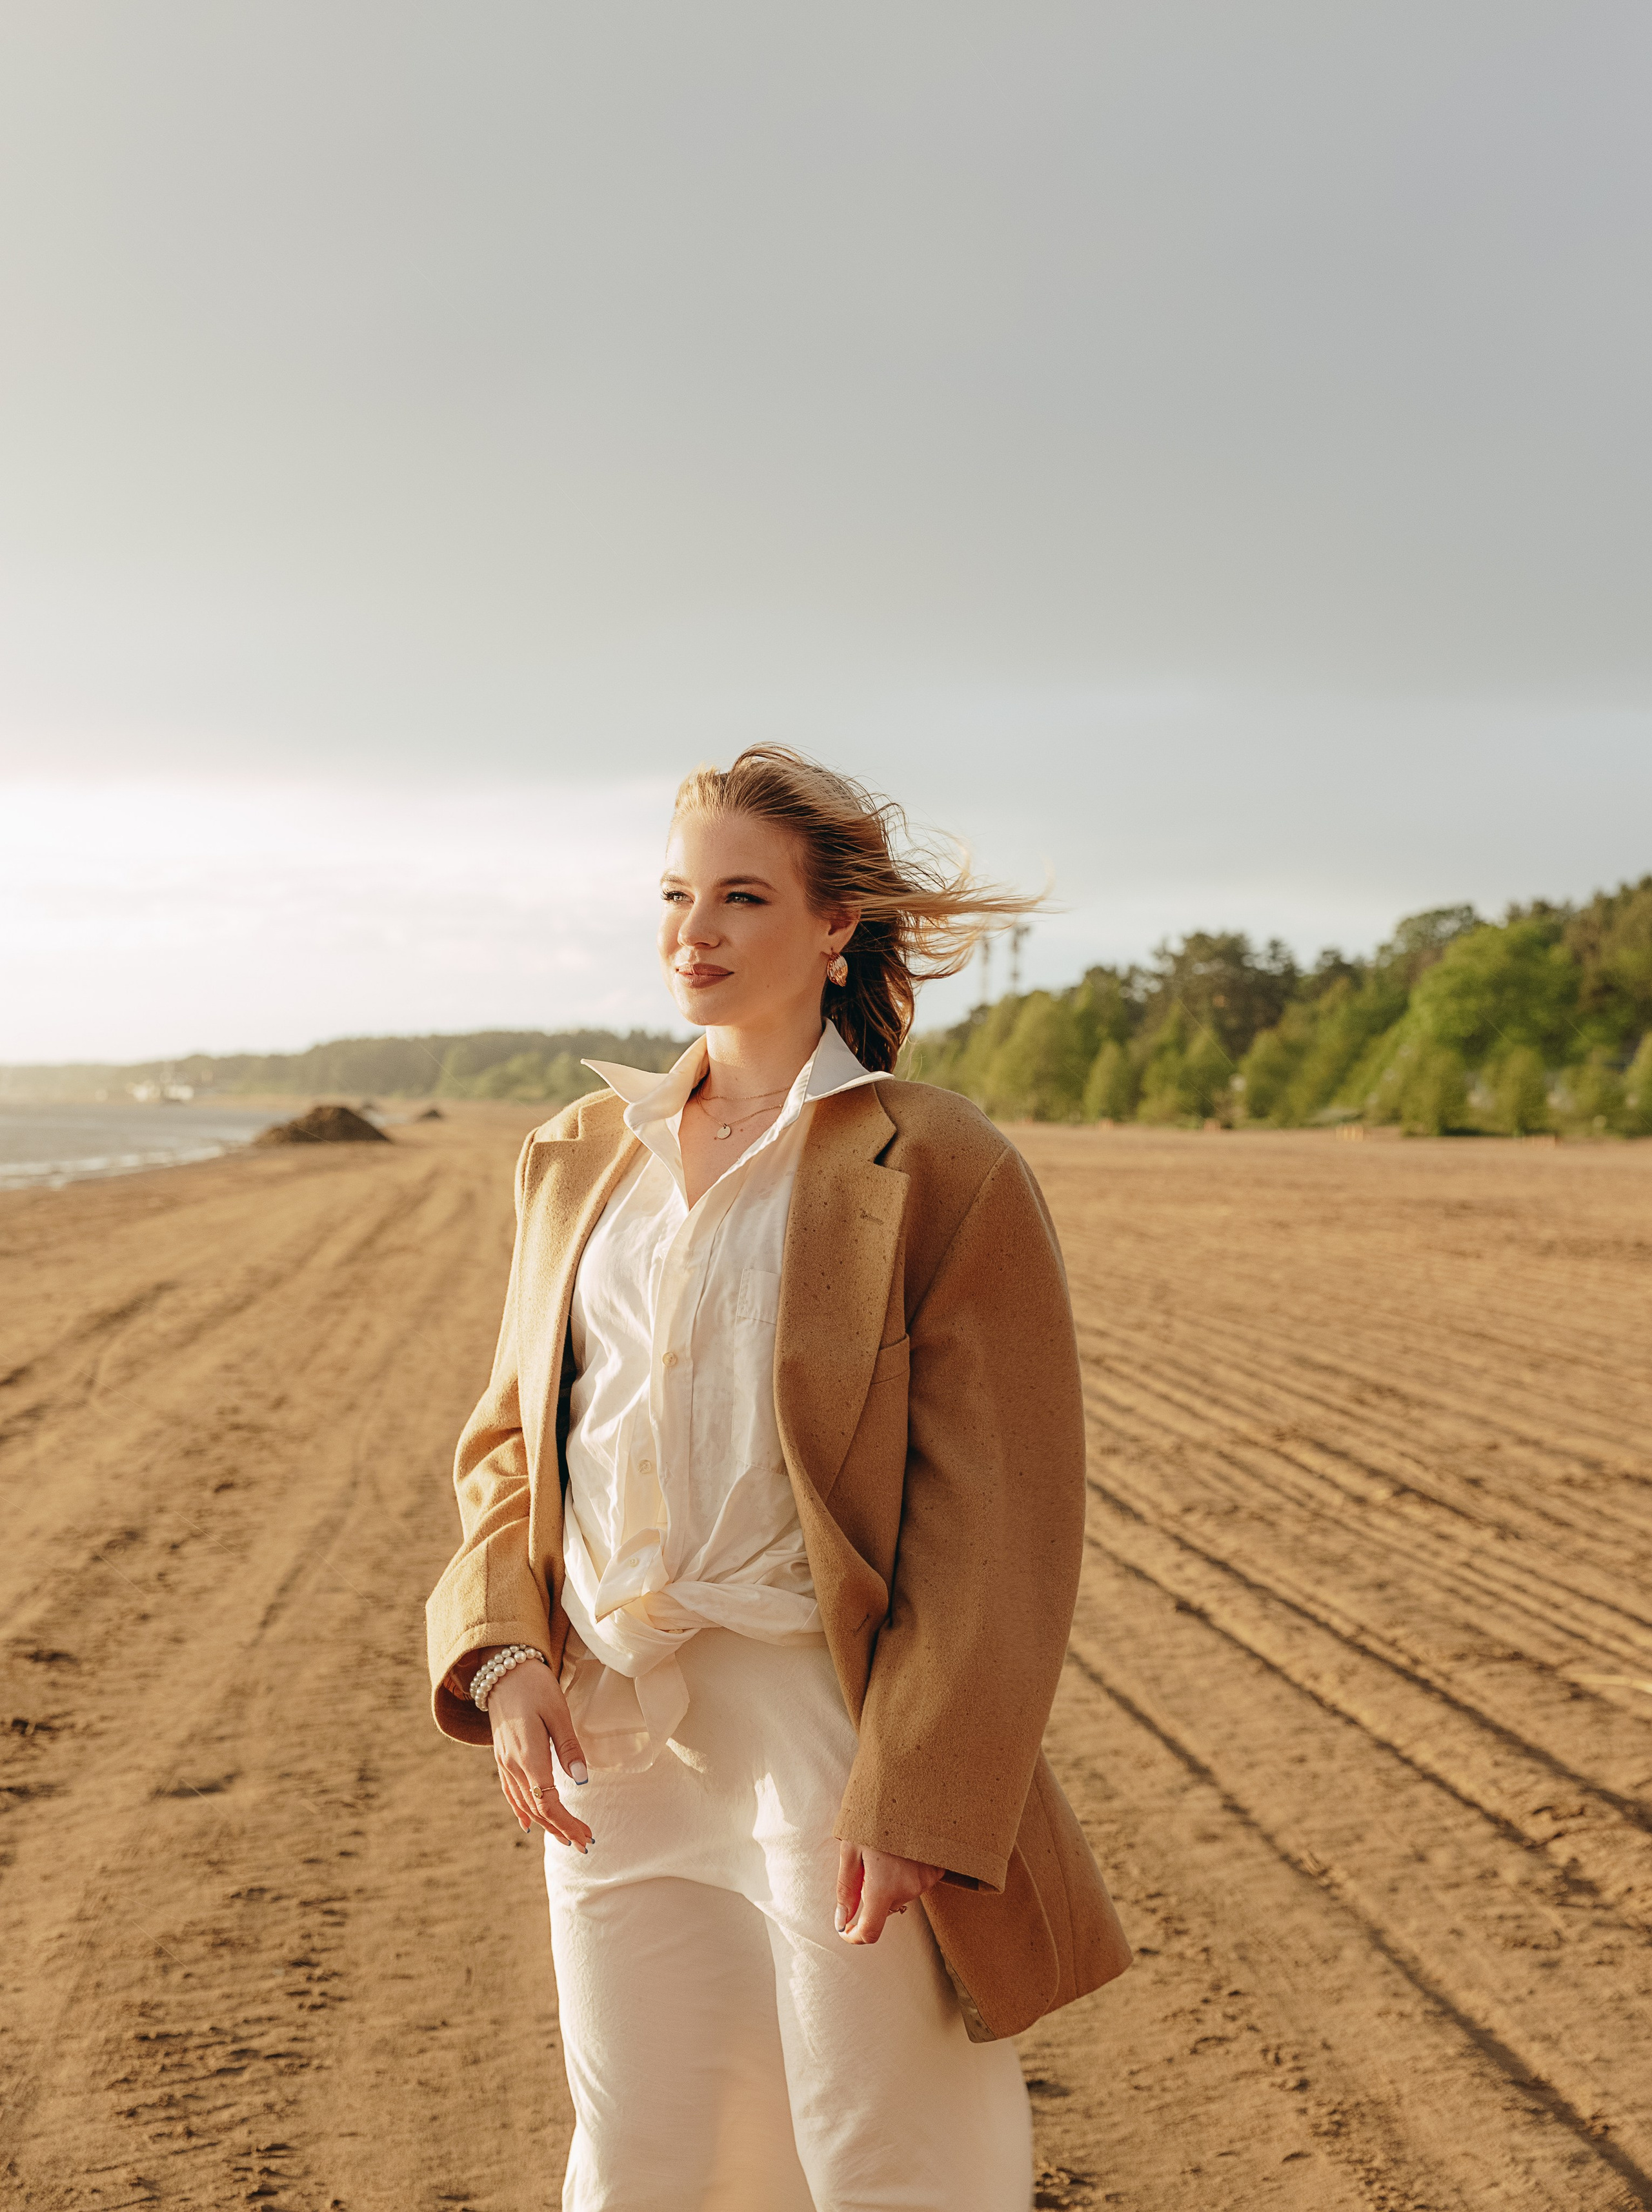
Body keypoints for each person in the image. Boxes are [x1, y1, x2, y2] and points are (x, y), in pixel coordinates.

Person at [425, 746, 1133, 2211]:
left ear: (832, 928)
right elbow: (513, 1435)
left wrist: (923, 1790)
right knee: (643, 2164)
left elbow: (995, 1518)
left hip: (831, 1736)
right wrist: (501, 1654)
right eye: (678, 892)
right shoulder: (575, 1157)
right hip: (609, 1740)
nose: (694, 929)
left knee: (886, 2159)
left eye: (741, 895)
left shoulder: (937, 1161)